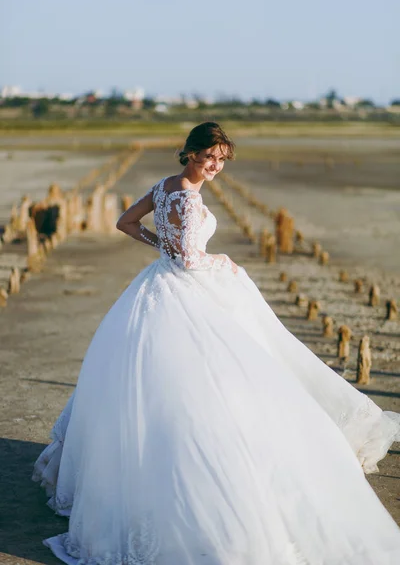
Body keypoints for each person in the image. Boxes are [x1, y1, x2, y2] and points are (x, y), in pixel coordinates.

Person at [33, 122, 400, 565]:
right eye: (210, 156)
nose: (215, 166)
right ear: (190, 153)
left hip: (153, 286)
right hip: (183, 292)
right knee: (211, 382)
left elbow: (126, 223)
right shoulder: (187, 197)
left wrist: (159, 247)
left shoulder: (163, 186)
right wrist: (218, 260)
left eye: (222, 160)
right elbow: (189, 260)